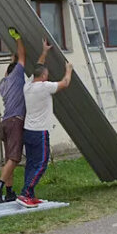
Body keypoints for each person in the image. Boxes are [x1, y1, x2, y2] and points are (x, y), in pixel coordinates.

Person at [18, 39, 72, 209]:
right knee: (41, 163)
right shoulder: (44, 86)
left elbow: (37, 66)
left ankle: (30, 194)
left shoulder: (27, 85)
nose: (47, 76)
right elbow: (65, 83)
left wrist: (44, 52)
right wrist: (68, 70)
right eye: (46, 74)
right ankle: (26, 193)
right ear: (43, 77)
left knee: (32, 163)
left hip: (28, 131)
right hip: (40, 132)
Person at [0, 27, 28, 204]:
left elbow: (10, 67)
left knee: (9, 159)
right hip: (15, 122)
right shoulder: (18, 75)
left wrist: (12, 60)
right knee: (14, 158)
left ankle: (10, 192)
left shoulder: (3, 83)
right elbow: (22, 56)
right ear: (16, 71)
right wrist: (18, 38)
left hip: (4, 122)